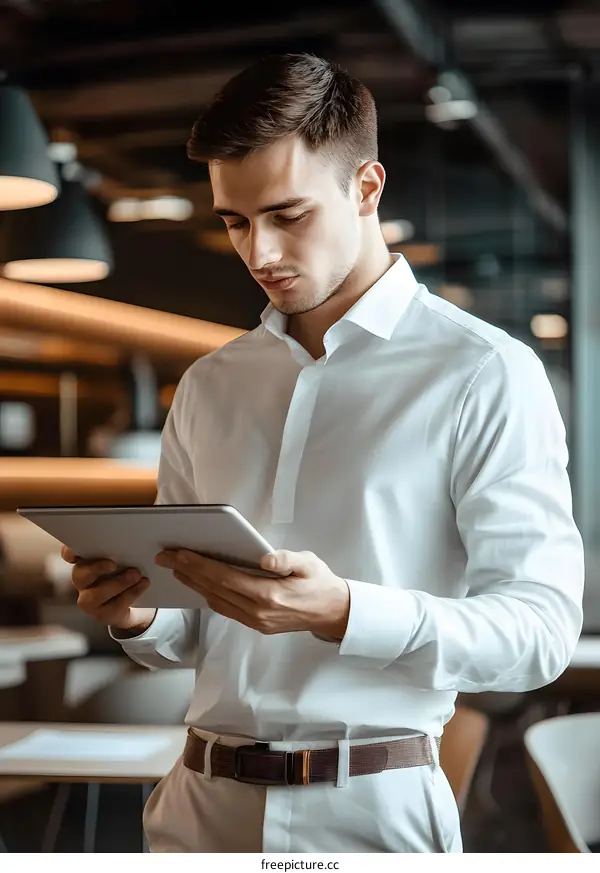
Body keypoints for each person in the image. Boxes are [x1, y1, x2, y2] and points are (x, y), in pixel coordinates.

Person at [62, 53, 584, 853]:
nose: (259, 251)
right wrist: (137, 611)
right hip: (196, 812)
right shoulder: (210, 385)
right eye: (235, 221)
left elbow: (541, 632)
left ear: (367, 188)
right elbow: (188, 635)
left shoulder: (483, 372)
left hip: (370, 816)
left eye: (288, 214)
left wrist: (345, 611)